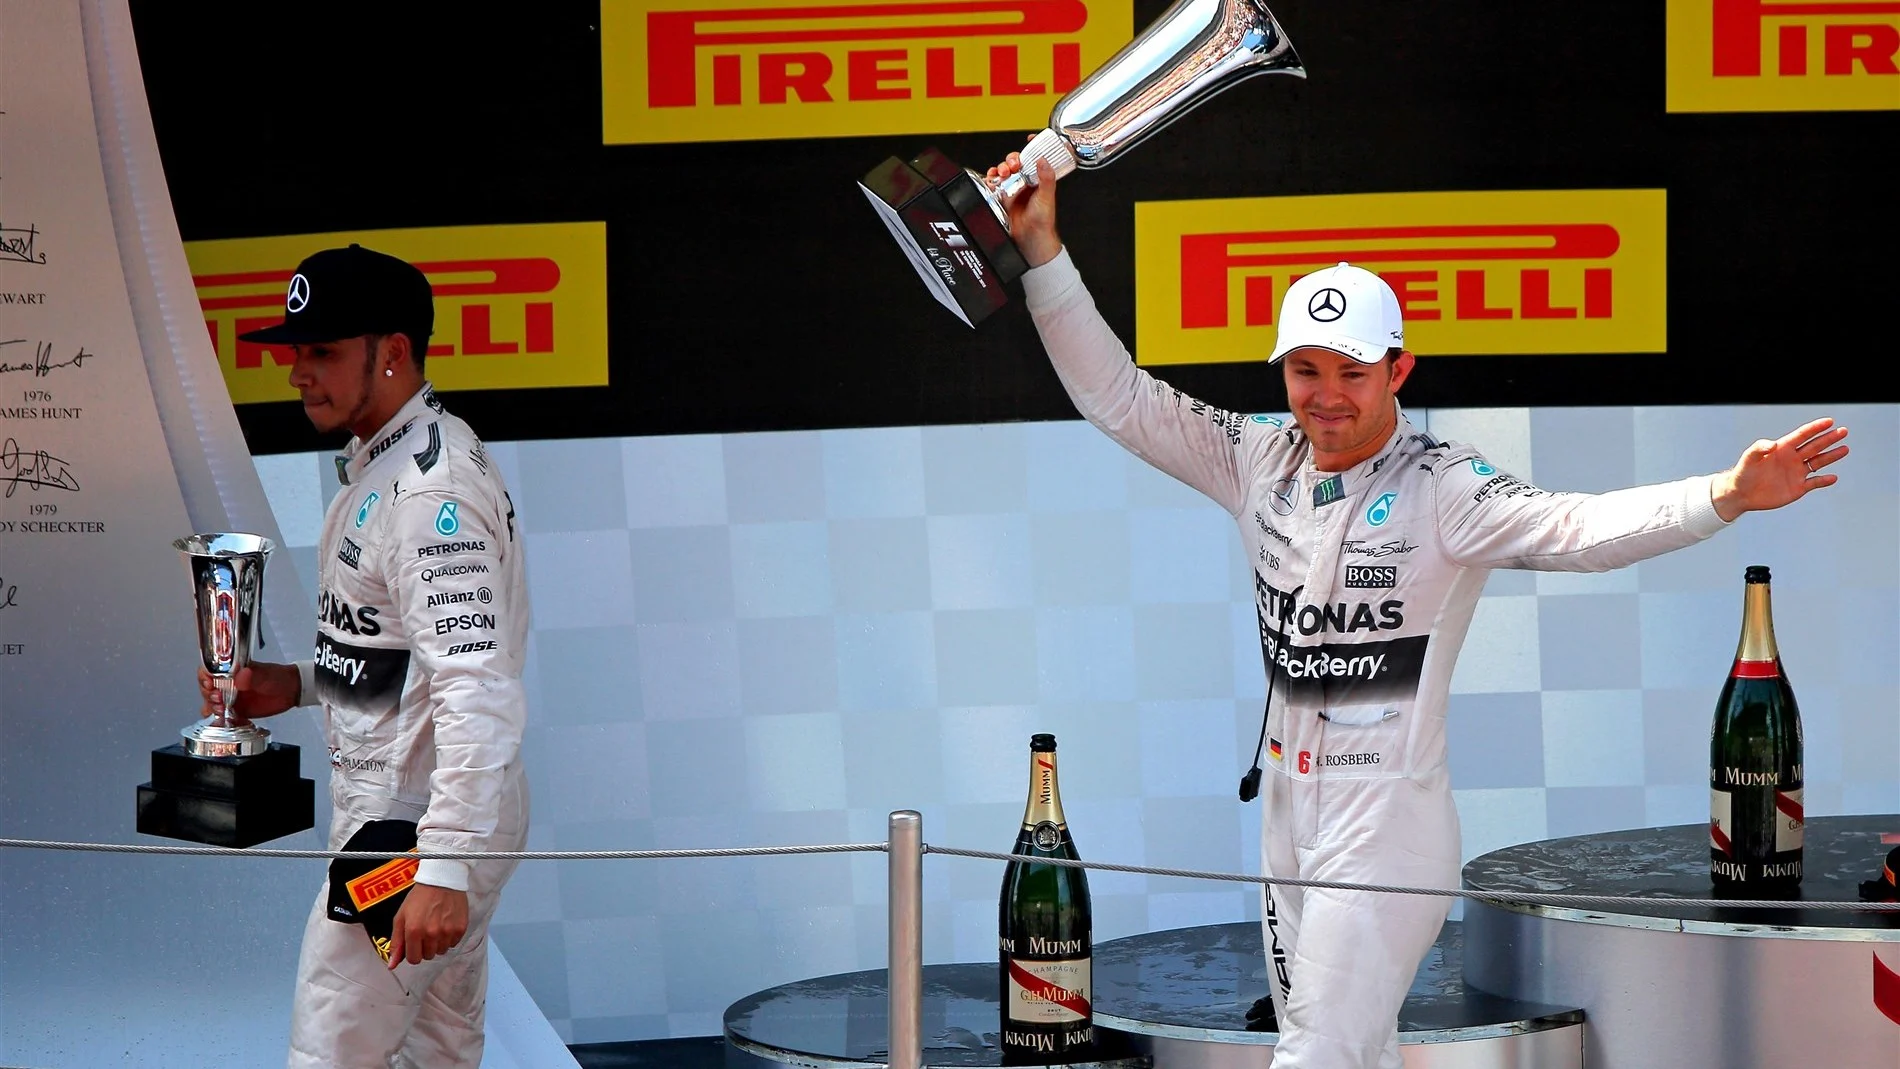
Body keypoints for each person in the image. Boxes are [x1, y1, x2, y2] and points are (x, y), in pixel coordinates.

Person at [987, 153, 1846, 1069]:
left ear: (1400, 368)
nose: (1325, 396)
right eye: (1304, 369)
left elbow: (1578, 527)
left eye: (1352, 371)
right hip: (1286, 812)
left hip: (1385, 825)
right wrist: (1043, 252)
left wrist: (1724, 492)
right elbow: (1121, 398)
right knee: (1346, 1048)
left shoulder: (1444, 487)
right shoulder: (1255, 457)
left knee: (1316, 1054)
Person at [199, 244, 531, 1068]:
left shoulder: (428, 497)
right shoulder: (395, 461)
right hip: (425, 816)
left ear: (392, 353)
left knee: (332, 1054)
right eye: (296, 351)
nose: (297, 373)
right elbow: (406, 657)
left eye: (322, 352)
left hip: (410, 831)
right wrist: (302, 683)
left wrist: (443, 864)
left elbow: (476, 688)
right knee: (436, 1051)